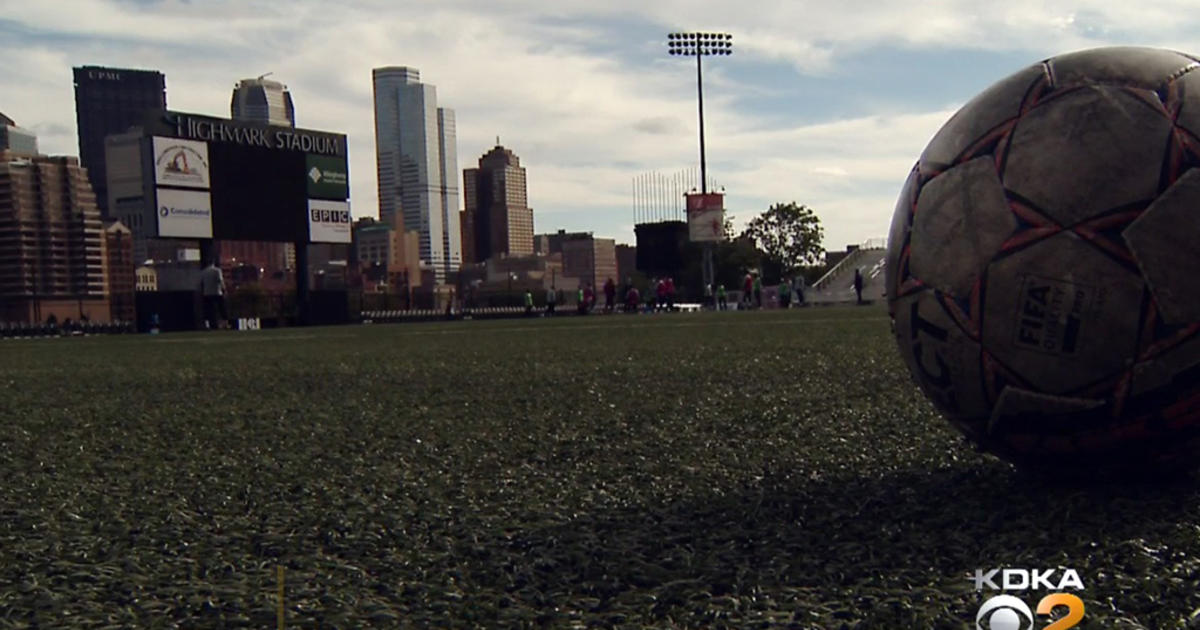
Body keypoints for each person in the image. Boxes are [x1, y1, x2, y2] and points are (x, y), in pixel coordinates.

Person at [200, 260, 227, 330]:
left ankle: (209, 325)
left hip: (207, 293)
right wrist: (224, 290)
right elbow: (220, 281)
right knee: (221, 309)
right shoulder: (217, 271)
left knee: (209, 310)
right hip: (217, 292)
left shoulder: (203, 272)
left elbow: (201, 283)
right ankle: (224, 324)